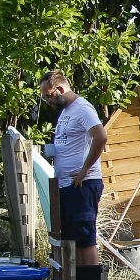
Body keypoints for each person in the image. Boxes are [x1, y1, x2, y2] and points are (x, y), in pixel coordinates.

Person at [39, 71, 107, 265]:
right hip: (68, 186)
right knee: (72, 241)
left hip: (82, 185)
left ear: (60, 89)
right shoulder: (66, 111)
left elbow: (101, 136)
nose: (47, 101)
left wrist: (84, 169)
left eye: (48, 96)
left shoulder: (82, 108)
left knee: (85, 240)